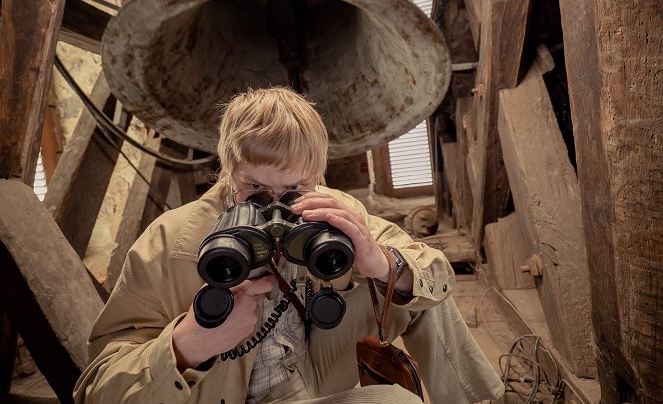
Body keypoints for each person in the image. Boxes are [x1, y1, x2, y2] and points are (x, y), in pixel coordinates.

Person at [74, 87, 504, 403]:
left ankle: (482, 401)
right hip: (229, 392)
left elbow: (438, 276)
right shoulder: (169, 241)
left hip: (311, 374)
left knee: (417, 286)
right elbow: (95, 388)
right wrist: (189, 344)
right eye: (255, 187)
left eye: (295, 188)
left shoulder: (334, 208)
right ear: (228, 169)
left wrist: (382, 262)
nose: (276, 206)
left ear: (317, 174)